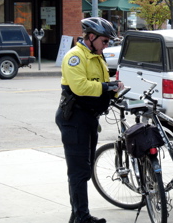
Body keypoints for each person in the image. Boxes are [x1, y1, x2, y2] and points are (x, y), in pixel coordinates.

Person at [55, 17, 124, 223]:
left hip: (88, 119)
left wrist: (116, 91)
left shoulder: (96, 56)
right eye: (105, 41)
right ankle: (82, 218)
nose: (107, 45)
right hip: (74, 119)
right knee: (78, 171)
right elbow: (81, 87)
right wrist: (107, 88)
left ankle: (77, 216)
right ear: (91, 37)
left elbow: (102, 85)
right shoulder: (75, 56)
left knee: (84, 169)